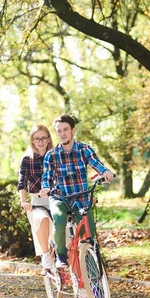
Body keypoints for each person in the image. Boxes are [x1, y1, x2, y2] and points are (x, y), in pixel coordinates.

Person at [40, 114, 114, 268]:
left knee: (89, 237)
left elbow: (96, 163)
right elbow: (47, 176)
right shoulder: (51, 155)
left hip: (81, 198)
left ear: (73, 130)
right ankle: (61, 255)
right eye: (59, 131)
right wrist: (46, 187)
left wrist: (105, 172)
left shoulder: (84, 149)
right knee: (59, 219)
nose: (62, 134)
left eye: (65, 130)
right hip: (60, 198)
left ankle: (92, 279)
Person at [17, 124, 55, 269]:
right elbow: (22, 182)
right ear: (32, 141)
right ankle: (45, 254)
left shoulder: (55, 156)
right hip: (37, 202)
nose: (40, 141)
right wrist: (24, 201)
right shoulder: (27, 159)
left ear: (48, 139)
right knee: (42, 218)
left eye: (43, 138)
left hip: (55, 199)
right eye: (36, 139)